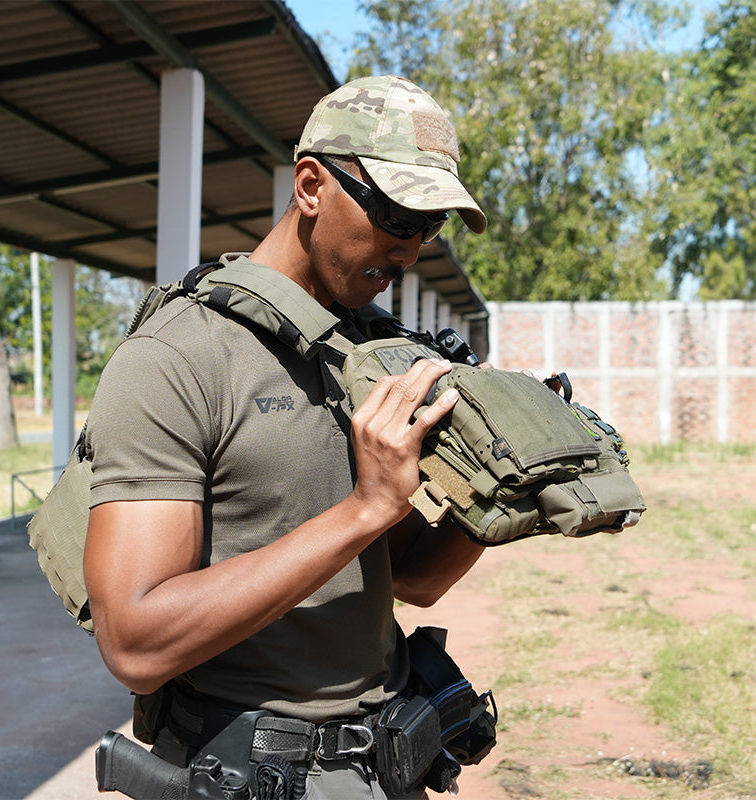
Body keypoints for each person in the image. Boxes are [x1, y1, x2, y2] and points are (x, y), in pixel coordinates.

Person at [83, 74, 488, 799]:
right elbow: (135, 643)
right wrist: (364, 508)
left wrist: (502, 494)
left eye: (430, 226)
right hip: (247, 771)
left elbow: (414, 579)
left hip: (383, 761)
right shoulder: (178, 357)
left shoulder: (368, 355)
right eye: (397, 215)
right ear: (310, 186)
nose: (410, 250)